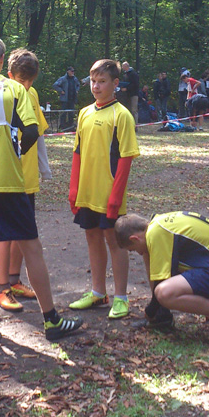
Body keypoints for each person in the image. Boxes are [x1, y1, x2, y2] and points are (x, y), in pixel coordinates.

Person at [0, 34, 83, 348]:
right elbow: (31, 130)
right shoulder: (14, 88)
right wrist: (14, 152)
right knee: (32, 248)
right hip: (7, 180)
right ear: (2, 60)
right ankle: (51, 320)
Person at [68, 59, 140, 320]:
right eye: (93, 81)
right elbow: (78, 152)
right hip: (87, 193)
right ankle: (98, 292)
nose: (96, 87)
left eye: (102, 82)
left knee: (114, 241)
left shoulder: (121, 115)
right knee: (92, 237)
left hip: (109, 194)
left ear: (115, 83)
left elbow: (126, 157)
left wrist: (115, 197)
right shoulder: (85, 113)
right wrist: (74, 189)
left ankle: (121, 297)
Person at [114, 212, 209, 346]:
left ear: (134, 239)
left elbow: (161, 283)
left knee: (164, 293)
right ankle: (161, 317)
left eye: (133, 249)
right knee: (148, 253)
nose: (138, 252)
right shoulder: (157, 223)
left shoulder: (156, 233)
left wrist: (150, 311)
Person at [0, 48, 48, 311]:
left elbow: (38, 133)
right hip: (5, 176)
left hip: (27, 177)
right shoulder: (1, 93)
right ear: (9, 74)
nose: (25, 85)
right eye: (21, 80)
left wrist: (44, 168)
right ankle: (2, 287)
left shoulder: (31, 94)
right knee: (4, 235)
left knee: (22, 232)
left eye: (30, 81)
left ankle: (14, 280)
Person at [52, 66, 81, 130]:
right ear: (68, 71)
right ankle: (63, 126)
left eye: (73, 71)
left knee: (71, 114)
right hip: (65, 99)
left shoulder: (75, 79)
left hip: (72, 99)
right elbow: (55, 85)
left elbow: (78, 85)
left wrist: (77, 90)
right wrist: (61, 90)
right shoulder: (63, 79)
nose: (73, 72)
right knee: (63, 114)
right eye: (72, 71)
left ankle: (70, 127)